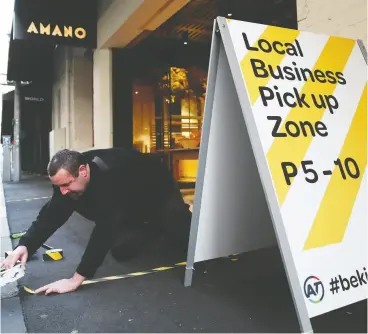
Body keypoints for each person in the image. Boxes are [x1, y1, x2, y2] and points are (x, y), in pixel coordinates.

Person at [0, 148, 192, 295]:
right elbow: (51, 215)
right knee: (122, 250)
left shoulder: (110, 177)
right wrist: (25, 245)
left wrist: (75, 280)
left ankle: (165, 226)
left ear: (83, 171)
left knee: (182, 232)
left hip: (157, 187)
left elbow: (104, 231)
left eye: (66, 185)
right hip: (127, 203)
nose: (63, 192)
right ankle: (148, 227)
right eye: (58, 186)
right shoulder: (66, 180)